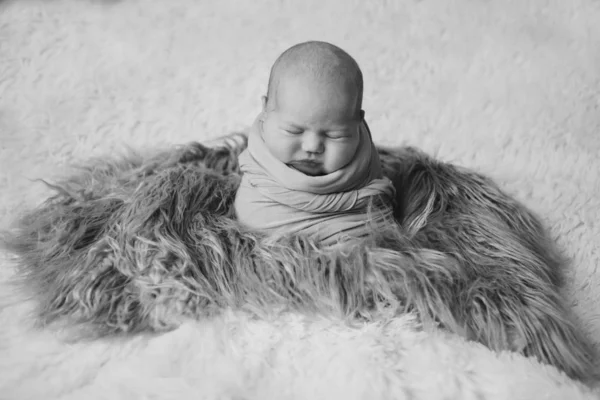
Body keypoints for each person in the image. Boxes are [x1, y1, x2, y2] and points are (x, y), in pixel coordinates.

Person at [234, 41, 395, 246]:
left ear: (357, 123)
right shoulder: (258, 177)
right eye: (293, 131)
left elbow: (380, 223)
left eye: (334, 135)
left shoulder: (366, 168)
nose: (312, 146)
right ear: (265, 111)